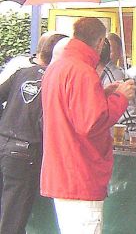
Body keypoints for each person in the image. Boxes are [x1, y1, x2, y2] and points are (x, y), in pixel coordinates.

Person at [40, 17, 136, 234]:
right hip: (80, 174)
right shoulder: (83, 71)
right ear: (100, 41)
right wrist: (120, 98)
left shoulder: (57, 67)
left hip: (61, 171)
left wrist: (102, 95)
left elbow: (69, 110)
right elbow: (90, 124)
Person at [0, 33, 67, 234]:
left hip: (4, 142)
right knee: (13, 218)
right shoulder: (55, 80)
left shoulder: (22, 73)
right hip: (27, 151)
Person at [99, 36, 136, 144]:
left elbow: (132, 121)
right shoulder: (101, 77)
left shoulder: (114, 77)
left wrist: (128, 154)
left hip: (132, 152)